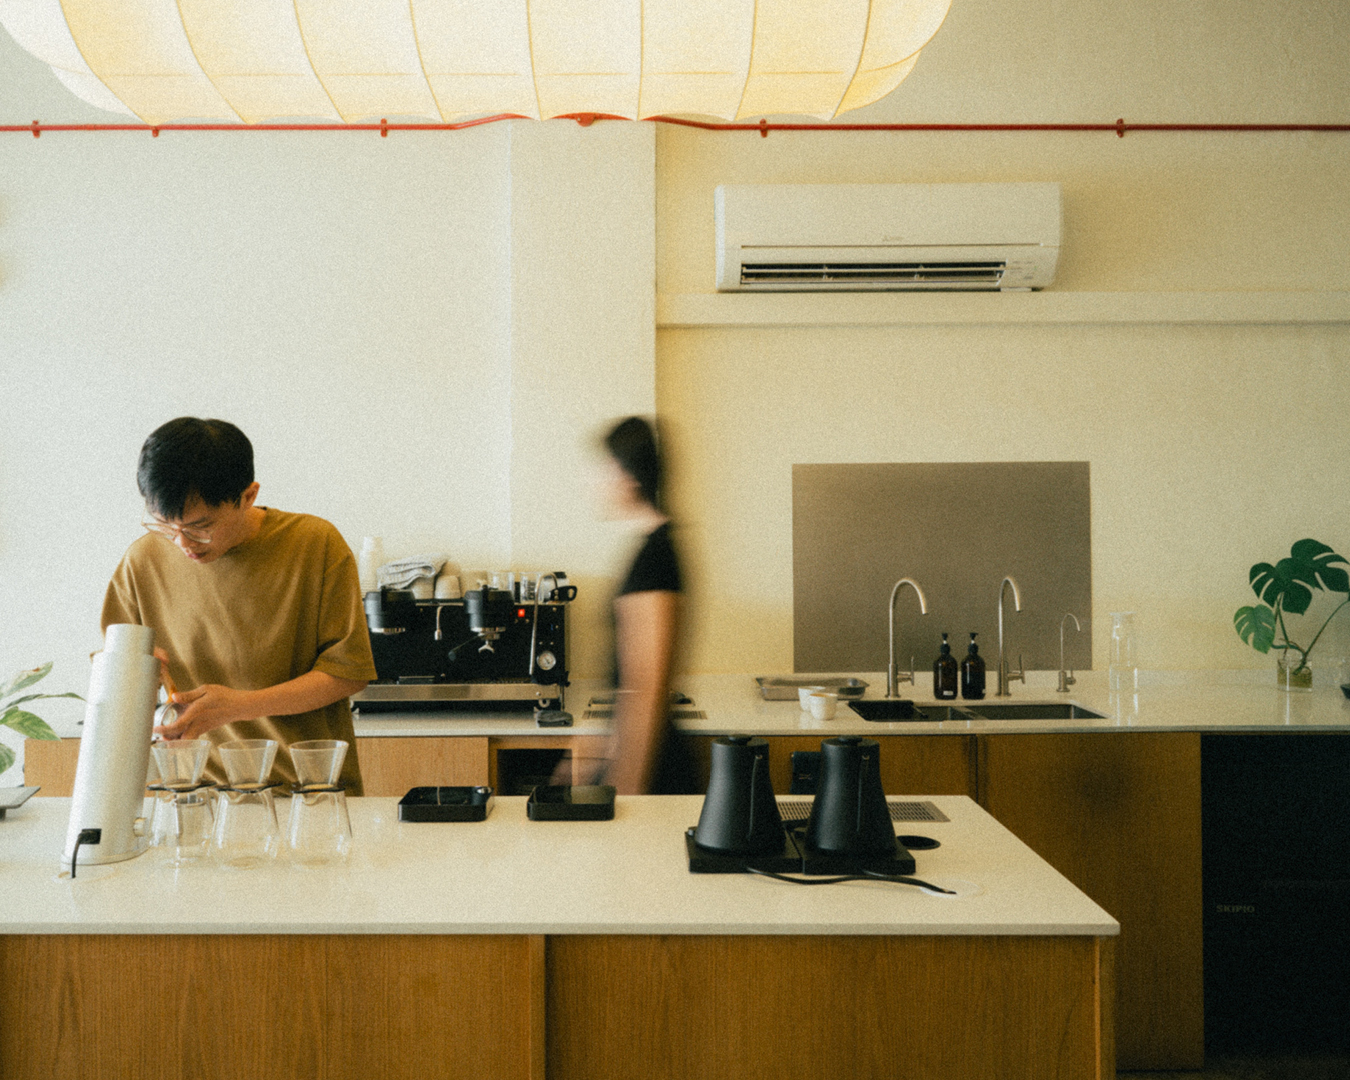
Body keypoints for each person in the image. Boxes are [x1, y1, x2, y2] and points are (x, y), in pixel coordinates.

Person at [101, 417, 376, 793]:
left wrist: (239, 705)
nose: (182, 543)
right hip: (190, 794)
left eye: (201, 526)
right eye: (165, 525)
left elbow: (348, 672)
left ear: (248, 496)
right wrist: (139, 677)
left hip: (304, 792)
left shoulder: (315, 544)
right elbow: (114, 673)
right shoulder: (142, 560)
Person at [583, 416, 700, 795]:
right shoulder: (650, 550)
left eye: (606, 469)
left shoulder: (655, 558)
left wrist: (626, 787)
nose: (598, 482)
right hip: (643, 758)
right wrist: (596, 756)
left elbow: (647, 688)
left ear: (629, 476)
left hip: (654, 770)